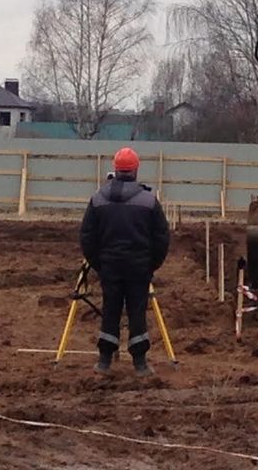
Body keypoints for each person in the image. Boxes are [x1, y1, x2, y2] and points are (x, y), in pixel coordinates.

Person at [81, 147, 170, 376]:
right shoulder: (149, 201)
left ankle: (104, 361)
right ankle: (140, 363)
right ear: (136, 169)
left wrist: (99, 264)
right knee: (137, 311)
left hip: (110, 266)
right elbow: (161, 237)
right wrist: (151, 265)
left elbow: (87, 237)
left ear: (116, 169)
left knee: (110, 308)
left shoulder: (98, 199)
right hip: (139, 267)